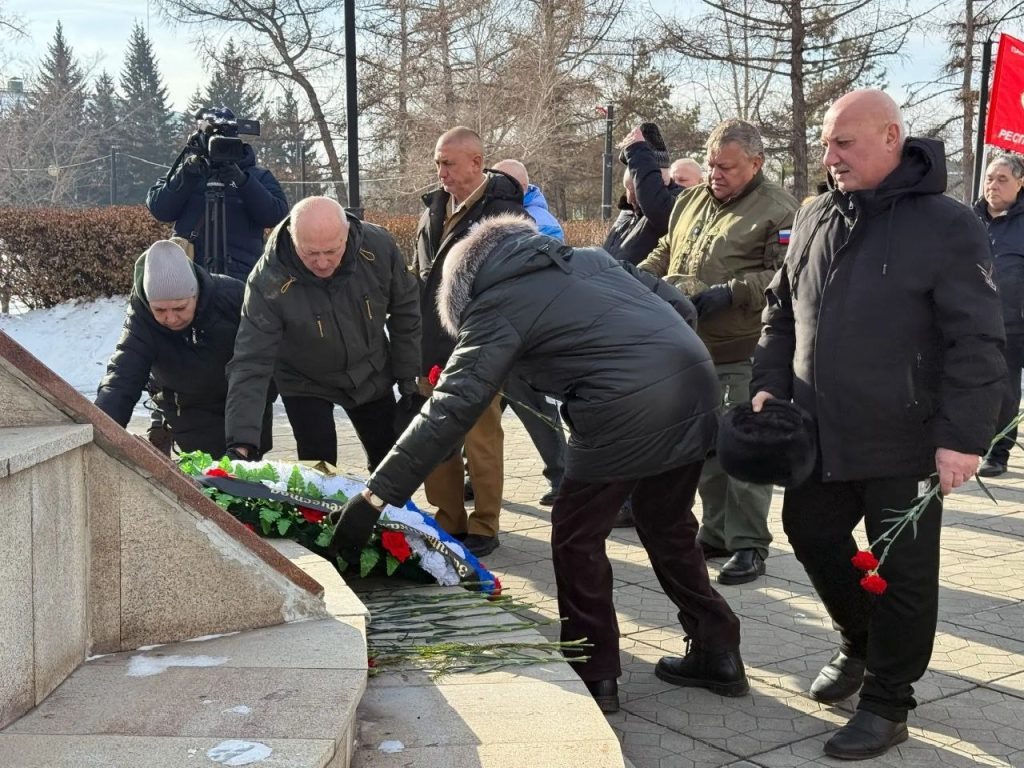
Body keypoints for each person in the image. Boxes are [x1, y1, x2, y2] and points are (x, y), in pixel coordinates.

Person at [330, 213, 748, 714]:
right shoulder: (594, 260)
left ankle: (595, 673)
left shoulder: (495, 306)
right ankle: (718, 650)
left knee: (577, 539)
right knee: (668, 525)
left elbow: (450, 406)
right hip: (696, 387)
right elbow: (681, 306)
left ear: (464, 289)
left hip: (620, 410)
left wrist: (375, 495)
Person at [752, 89, 1005, 760]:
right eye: (827, 143)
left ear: (891, 138)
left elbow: (977, 339)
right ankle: (860, 642)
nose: (829, 157)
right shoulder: (814, 215)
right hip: (817, 432)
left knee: (901, 572)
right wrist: (769, 386)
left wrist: (962, 436)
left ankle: (890, 700)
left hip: (906, 436)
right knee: (809, 532)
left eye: (844, 143)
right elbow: (781, 310)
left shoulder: (946, 224)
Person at [639, 118, 798, 583]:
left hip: (742, 347)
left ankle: (750, 545)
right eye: (711, 165)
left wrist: (731, 292)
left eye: (726, 168)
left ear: (756, 163)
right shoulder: (690, 199)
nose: (715, 175)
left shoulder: (780, 210)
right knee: (707, 446)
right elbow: (669, 246)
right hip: (689, 345)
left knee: (743, 447)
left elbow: (784, 273)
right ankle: (716, 532)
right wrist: (637, 276)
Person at [224, 196, 421, 471]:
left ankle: (380, 512)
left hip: (370, 368)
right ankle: (324, 513)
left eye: (332, 251)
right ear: (293, 239)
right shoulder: (266, 280)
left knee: (389, 463)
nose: (323, 263)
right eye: (311, 254)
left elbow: (406, 311)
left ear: (347, 234)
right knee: (319, 467)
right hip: (304, 380)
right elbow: (251, 360)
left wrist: (408, 379)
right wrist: (241, 442)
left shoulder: (378, 247)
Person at [413, 126, 526, 557]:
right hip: (432, 345)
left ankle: (485, 525)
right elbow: (419, 280)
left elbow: (514, 289)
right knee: (436, 438)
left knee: (482, 440)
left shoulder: (507, 216)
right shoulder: (431, 210)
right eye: (438, 162)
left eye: (448, 162)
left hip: (482, 346)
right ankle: (447, 521)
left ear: (477, 163)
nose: (440, 171)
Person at [96, 240, 272, 458]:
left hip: (240, 402)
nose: (170, 318)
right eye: (160, 310)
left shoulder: (232, 297)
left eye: (180, 307)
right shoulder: (141, 316)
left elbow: (261, 355)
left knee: (246, 473)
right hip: (189, 410)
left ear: (196, 294)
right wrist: (100, 435)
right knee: (207, 482)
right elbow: (122, 376)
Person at [490, 158, 568, 505]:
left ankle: (563, 476)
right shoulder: (505, 212)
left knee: (537, 409)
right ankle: (475, 475)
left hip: (526, 335)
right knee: (481, 413)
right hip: (500, 331)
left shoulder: (540, 223)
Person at [146, 107, 289, 281]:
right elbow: (159, 208)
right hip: (191, 275)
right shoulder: (189, 173)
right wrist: (187, 173)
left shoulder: (256, 176)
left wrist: (243, 182)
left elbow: (275, 214)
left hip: (241, 278)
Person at [974, 153, 1024, 477]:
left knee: (1005, 391)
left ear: (1021, 183)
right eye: (990, 178)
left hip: (1013, 324)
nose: (993, 185)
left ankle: (999, 452)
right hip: (972, 322)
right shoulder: (968, 219)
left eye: (1002, 179)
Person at [602, 122, 685, 266]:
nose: (628, 198)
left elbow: (656, 207)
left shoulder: (677, 203)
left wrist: (637, 151)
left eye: (633, 189)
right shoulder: (630, 211)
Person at [492, 159, 564, 240]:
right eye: (493, 183)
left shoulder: (544, 224)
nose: (494, 189)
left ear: (522, 187)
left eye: (502, 183)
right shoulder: (493, 210)